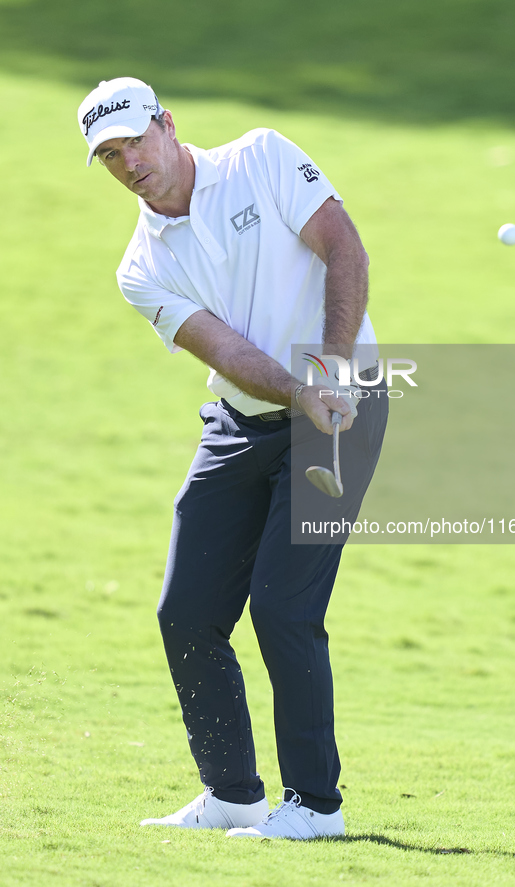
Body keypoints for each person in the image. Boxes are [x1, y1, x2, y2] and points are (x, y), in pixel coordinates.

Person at [77, 77, 388, 840]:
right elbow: (224, 349)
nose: (129, 163)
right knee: (186, 611)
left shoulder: (261, 158)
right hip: (243, 419)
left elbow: (342, 247)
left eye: (134, 142)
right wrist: (295, 391)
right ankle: (232, 795)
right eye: (109, 155)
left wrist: (332, 372)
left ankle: (317, 806)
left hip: (343, 410)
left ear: (167, 124)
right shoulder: (139, 268)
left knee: (284, 607)